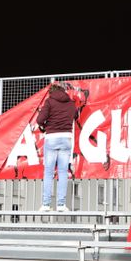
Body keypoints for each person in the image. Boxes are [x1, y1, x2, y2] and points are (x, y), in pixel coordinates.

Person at [36, 82, 78, 212]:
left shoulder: (49, 102)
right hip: (66, 138)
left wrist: (47, 123)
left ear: (52, 92)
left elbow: (39, 120)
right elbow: (75, 115)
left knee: (48, 172)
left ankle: (46, 204)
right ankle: (61, 205)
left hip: (52, 138)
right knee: (63, 172)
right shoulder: (71, 103)